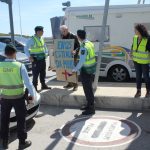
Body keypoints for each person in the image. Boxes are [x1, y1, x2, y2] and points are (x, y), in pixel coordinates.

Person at [0, 44, 36, 149]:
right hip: (18, 98)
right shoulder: (20, 66)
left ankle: (4, 143)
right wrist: (32, 95)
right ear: (15, 53)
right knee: (21, 120)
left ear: (5, 54)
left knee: (4, 121)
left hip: (5, 98)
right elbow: (28, 83)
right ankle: (22, 143)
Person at [72, 30, 96, 115]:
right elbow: (85, 49)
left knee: (87, 89)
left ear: (78, 37)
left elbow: (81, 61)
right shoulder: (89, 43)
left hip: (85, 70)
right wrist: (76, 50)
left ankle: (91, 109)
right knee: (89, 89)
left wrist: (74, 69)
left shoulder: (83, 47)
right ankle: (89, 105)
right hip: (91, 69)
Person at [24, 26, 51, 91]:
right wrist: (29, 57)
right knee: (35, 74)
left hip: (42, 59)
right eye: (42, 31)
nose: (43, 32)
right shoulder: (31, 39)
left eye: (43, 31)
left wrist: (46, 53)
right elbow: (25, 48)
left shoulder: (41, 38)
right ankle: (34, 87)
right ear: (37, 31)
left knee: (43, 73)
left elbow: (44, 47)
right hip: (35, 60)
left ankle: (43, 85)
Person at [131, 24, 150, 98]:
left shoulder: (148, 39)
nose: (134, 31)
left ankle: (148, 91)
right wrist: (131, 53)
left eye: (135, 30)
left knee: (146, 77)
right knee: (138, 77)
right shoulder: (135, 38)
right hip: (136, 61)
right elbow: (133, 46)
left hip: (145, 62)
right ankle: (138, 91)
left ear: (140, 31)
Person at [60, 25, 80, 91]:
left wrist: (75, 51)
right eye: (62, 31)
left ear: (67, 29)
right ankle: (70, 83)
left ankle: (76, 85)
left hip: (73, 56)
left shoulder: (73, 36)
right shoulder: (62, 36)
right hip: (66, 56)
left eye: (64, 31)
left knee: (73, 71)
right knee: (67, 70)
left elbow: (78, 46)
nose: (63, 32)